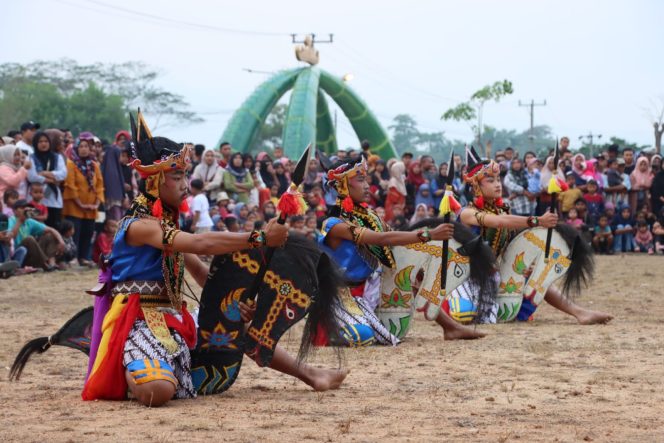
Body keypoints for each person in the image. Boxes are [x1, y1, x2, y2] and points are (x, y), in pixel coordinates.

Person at [82, 112, 346, 407]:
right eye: (178, 176)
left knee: (229, 315)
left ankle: (310, 374)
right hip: (139, 320)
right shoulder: (139, 226)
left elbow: (204, 276)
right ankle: (129, 367)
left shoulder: (168, 225)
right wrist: (259, 238)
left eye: (185, 175)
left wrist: (237, 302)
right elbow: (200, 242)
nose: (186, 184)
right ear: (155, 180)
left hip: (174, 318)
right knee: (157, 391)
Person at [318, 157, 484, 345]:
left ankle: (450, 327)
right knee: (362, 337)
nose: (367, 185)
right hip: (342, 294)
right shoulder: (333, 225)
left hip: (368, 288)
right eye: (360, 180)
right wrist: (428, 235)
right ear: (342, 187)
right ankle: (335, 326)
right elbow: (382, 239)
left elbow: (396, 238)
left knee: (405, 276)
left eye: (366, 179)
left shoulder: (369, 216)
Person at [455, 146, 612, 325]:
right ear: (475, 186)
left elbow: (507, 244)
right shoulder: (467, 213)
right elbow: (497, 222)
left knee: (533, 276)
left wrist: (521, 265)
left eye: (498, 179)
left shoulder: (503, 210)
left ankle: (580, 313)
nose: (498, 184)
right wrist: (538, 221)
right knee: (465, 316)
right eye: (490, 180)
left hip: (493, 275)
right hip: (466, 278)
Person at [62, 137, 104, 267]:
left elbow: (100, 185)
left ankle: (84, 257)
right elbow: (70, 184)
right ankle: (73, 257)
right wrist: (80, 203)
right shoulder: (71, 164)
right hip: (75, 206)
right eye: (81, 146)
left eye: (86, 146)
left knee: (88, 232)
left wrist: (97, 203)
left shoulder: (94, 165)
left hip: (91, 207)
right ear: (76, 149)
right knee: (75, 232)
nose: (84, 149)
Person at [7, 199, 65, 271]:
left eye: (27, 207)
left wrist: (61, 241)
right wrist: (20, 221)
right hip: (18, 255)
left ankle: (51, 263)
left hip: (31, 255)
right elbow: (11, 238)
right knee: (29, 239)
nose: (26, 209)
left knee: (49, 235)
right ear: (14, 210)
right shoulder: (11, 220)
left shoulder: (29, 221)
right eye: (22, 208)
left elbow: (52, 229)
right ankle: (45, 265)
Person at [27, 131, 67, 229]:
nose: (43, 144)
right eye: (40, 141)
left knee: (53, 228)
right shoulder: (31, 157)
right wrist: (50, 180)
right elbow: (31, 176)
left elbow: (63, 174)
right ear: (36, 143)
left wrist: (44, 173)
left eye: (46, 141)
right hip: (35, 199)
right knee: (35, 226)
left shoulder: (57, 157)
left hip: (54, 200)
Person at [101, 132, 128, 221]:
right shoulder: (111, 171)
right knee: (116, 222)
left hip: (119, 201)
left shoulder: (120, 167)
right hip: (113, 201)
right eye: (120, 155)